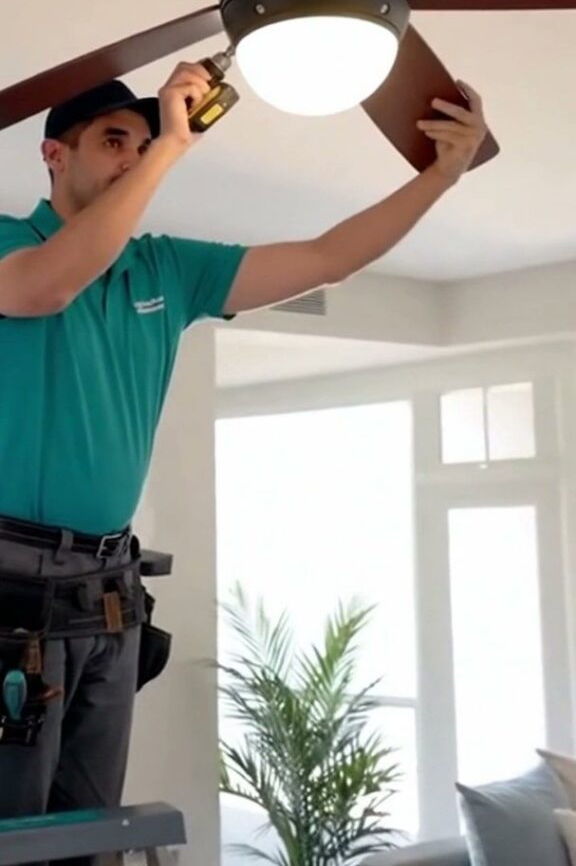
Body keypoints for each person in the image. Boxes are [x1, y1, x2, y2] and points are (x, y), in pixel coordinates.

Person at [0, 59, 488, 864]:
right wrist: (170, 146)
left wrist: (440, 177)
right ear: (55, 154)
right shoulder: (11, 243)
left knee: (91, 839)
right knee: (11, 835)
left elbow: (327, 257)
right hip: (14, 591)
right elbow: (47, 287)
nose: (132, 155)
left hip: (107, 596)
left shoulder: (164, 268)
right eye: (114, 141)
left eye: (141, 143)